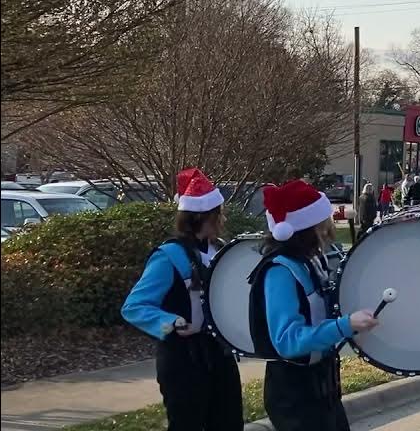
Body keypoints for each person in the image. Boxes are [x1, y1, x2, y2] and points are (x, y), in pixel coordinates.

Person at [248, 179, 379, 431]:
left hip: (322, 383)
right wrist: (345, 325)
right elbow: (287, 340)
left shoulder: (308, 261)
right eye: (322, 223)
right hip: (294, 393)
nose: (328, 228)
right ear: (307, 228)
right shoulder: (281, 271)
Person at [122, 167, 243, 431]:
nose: (222, 218)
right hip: (183, 361)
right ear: (204, 216)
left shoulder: (221, 249)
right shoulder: (168, 256)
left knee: (230, 424)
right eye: (218, 213)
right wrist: (171, 322)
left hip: (220, 355)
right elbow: (134, 306)